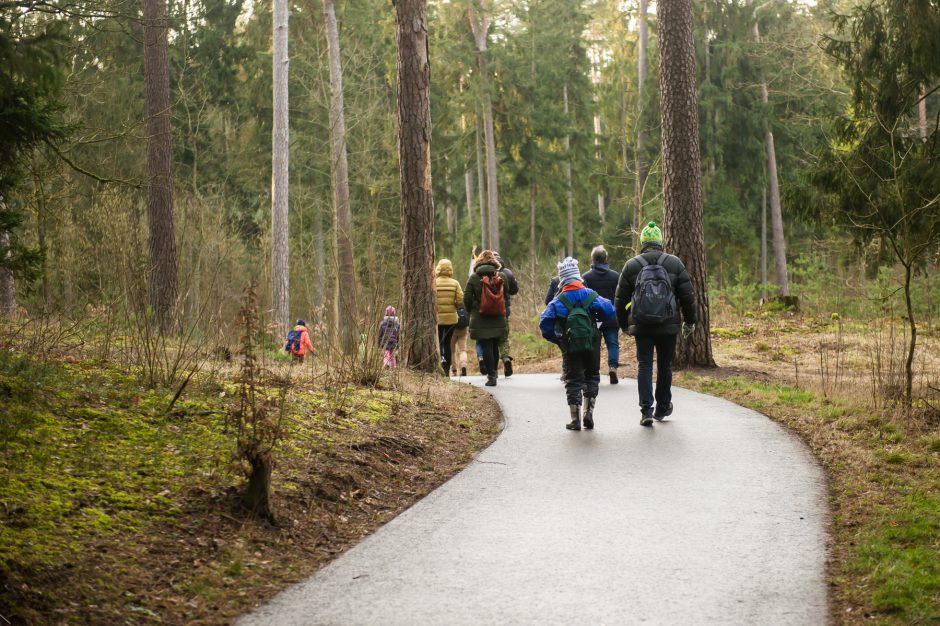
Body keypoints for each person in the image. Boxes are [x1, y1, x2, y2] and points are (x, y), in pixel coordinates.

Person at [614, 222, 697, 426]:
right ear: (660, 242)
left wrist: (623, 324)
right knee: (665, 365)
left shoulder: (632, 265)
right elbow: (687, 296)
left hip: (641, 324)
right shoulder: (674, 263)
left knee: (644, 365)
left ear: (643, 242)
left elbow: (620, 298)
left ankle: (646, 411)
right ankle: (662, 407)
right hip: (668, 324)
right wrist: (690, 321)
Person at [540, 257, 616, 430]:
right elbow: (610, 310)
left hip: (570, 344)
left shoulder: (558, 300)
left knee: (573, 379)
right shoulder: (590, 295)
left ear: (563, 279)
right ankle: (589, 413)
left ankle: (575, 420)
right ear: (577, 276)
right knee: (592, 376)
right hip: (592, 342)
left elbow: (544, 324)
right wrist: (599, 323)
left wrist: (558, 339)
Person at [464, 249, 509, 387]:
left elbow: (466, 298)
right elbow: (506, 296)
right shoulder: (501, 276)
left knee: (486, 345)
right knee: (495, 344)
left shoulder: (473, 277)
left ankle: (491, 376)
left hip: (480, 316)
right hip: (498, 315)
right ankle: (494, 372)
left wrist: (472, 310)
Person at [581, 245, 622, 384]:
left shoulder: (586, 277)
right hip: (611, 316)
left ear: (593, 259)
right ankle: (612, 367)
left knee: (594, 344)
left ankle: (594, 371)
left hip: (594, 318)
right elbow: (620, 297)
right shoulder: (616, 276)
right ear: (606, 259)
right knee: (613, 343)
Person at [435, 259, 464, 376]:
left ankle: (439, 363)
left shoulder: (434, 282)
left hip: (437, 318)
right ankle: (446, 369)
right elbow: (460, 299)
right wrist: (455, 306)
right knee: (447, 342)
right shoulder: (455, 283)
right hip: (451, 319)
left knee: (438, 342)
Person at [494, 253, 519, 377]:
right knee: (503, 337)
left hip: (487, 312)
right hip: (504, 310)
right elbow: (514, 290)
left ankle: (492, 369)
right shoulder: (507, 273)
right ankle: (505, 358)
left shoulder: (484, 274)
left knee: (492, 338)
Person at [450, 305, 469, 377]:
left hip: (452, 329)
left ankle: (454, 370)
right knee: (463, 350)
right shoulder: (462, 302)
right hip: (463, 329)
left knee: (452, 351)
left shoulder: (451, 302)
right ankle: (463, 366)